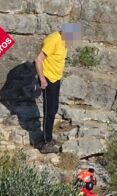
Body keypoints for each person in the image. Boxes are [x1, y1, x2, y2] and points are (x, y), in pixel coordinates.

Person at [35, 23, 81, 154]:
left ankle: (48, 138)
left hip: (55, 79)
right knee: (49, 110)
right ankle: (45, 143)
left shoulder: (65, 40)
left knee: (53, 109)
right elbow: (38, 60)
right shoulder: (53, 39)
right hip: (48, 79)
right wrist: (42, 79)